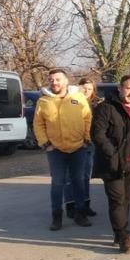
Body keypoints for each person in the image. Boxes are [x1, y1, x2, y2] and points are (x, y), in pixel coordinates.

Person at [91, 75, 130, 253]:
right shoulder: (106, 108)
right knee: (117, 200)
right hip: (113, 163)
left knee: (128, 199)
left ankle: (120, 233)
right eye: (129, 88)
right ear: (120, 88)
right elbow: (97, 134)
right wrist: (113, 154)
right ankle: (124, 237)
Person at [34, 69, 93, 230]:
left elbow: (87, 118)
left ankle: (80, 214)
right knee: (58, 183)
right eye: (51, 80)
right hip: (56, 150)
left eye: (58, 79)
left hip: (78, 147)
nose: (54, 82)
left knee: (78, 181)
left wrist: (86, 139)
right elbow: (38, 124)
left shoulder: (78, 97)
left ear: (66, 81)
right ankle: (56, 216)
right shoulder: (44, 101)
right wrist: (46, 144)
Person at [60, 77, 102, 219]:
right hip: (72, 143)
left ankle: (85, 205)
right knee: (69, 177)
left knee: (84, 176)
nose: (86, 91)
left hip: (89, 144)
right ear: (78, 88)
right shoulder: (70, 101)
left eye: (90, 89)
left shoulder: (97, 105)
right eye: (84, 88)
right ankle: (71, 206)